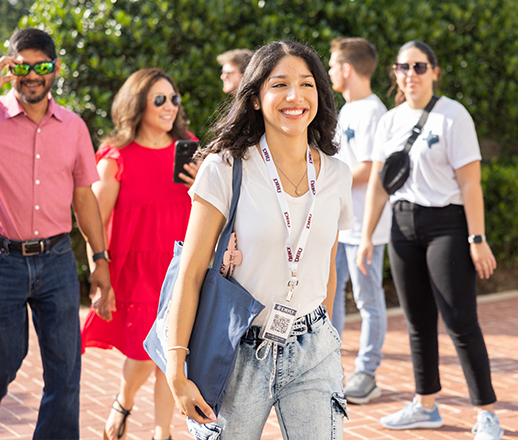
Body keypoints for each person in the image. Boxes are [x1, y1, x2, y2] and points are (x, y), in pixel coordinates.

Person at [165, 40, 354, 440]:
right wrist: (176, 366)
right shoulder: (224, 167)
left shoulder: (336, 174)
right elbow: (192, 272)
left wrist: (329, 339)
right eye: (279, 84)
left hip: (312, 345)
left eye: (306, 84)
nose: (294, 96)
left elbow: (327, 270)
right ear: (254, 99)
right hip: (236, 350)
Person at [357, 40, 503, 440]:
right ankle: (425, 405)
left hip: (448, 226)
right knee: (417, 322)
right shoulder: (389, 121)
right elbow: (379, 185)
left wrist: (477, 237)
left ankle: (487, 413)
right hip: (403, 226)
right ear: (395, 72)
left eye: (419, 67)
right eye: (403, 67)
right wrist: (367, 235)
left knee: (460, 321)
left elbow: (470, 184)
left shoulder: (453, 116)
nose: (411, 74)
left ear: (434, 72)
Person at [0, 28, 112, 439]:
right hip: (0, 262)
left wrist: (99, 260)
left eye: (41, 66)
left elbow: (84, 198)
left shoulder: (73, 126)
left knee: (65, 370)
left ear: (55, 69)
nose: (31, 75)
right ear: (9, 66)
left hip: (56, 261)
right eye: (21, 65)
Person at [80, 68, 199, 440]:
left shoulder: (190, 147)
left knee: (170, 353)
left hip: (180, 267)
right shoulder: (116, 158)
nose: (169, 107)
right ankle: (123, 400)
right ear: (137, 104)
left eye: (174, 99)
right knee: (144, 355)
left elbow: (210, 212)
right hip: (136, 271)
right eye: (159, 100)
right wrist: (99, 275)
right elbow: (94, 223)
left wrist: (203, 186)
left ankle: (161, 433)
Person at [328, 37, 392, 405]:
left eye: (334, 65)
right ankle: (328, 365)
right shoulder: (347, 109)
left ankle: (366, 372)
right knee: (331, 297)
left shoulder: (373, 112)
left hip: (365, 227)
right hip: (338, 225)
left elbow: (370, 169)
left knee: (368, 301)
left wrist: (327, 181)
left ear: (348, 69)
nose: (332, 71)